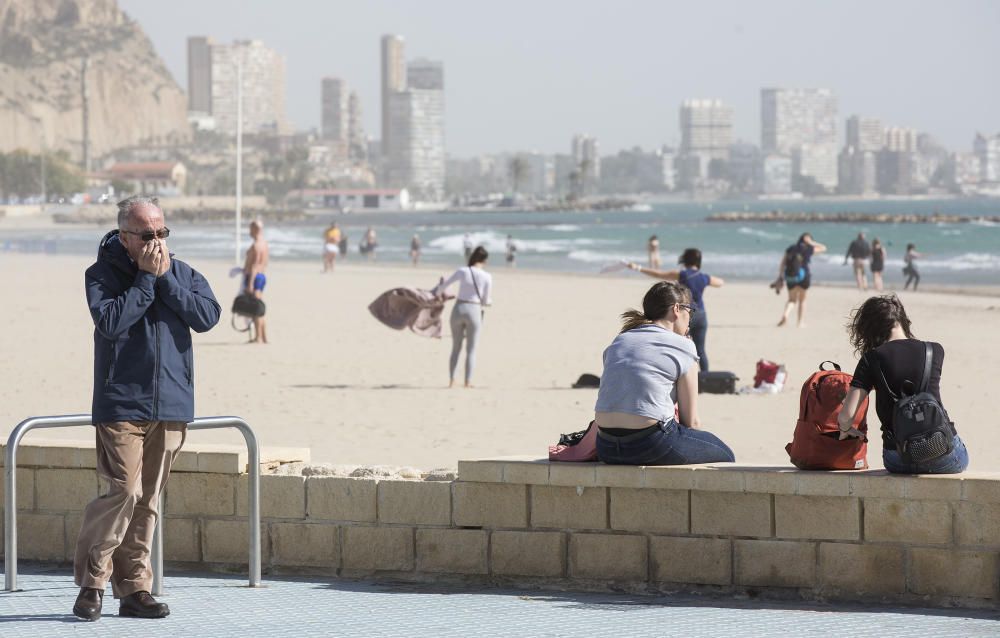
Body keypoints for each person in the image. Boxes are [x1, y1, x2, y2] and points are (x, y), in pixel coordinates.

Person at [76, 196, 221, 620]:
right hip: (121, 400)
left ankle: (136, 589)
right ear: (125, 237)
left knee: (149, 500)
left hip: (172, 401)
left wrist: (165, 281)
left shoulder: (182, 272)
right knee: (123, 491)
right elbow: (110, 321)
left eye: (162, 233)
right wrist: (144, 281)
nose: (156, 242)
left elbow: (208, 315)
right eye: (146, 234)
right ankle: (92, 583)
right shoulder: (101, 275)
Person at [594, 281, 735, 465]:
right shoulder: (684, 345)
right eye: (690, 311)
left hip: (605, 446)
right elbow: (690, 421)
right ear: (677, 309)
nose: (690, 318)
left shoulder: (620, 340)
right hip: (650, 444)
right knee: (725, 454)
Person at [836, 295, 967, 474]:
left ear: (869, 329)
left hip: (898, 459)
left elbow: (846, 416)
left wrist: (845, 429)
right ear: (903, 321)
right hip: (943, 455)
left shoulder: (871, 359)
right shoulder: (934, 350)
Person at [628, 248, 724, 372]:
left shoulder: (683, 274)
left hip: (686, 314)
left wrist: (638, 268)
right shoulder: (704, 277)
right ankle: (705, 378)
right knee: (701, 350)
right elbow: (720, 283)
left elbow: (659, 274)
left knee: (680, 347)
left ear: (685, 259)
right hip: (702, 315)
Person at [433, 246, 492, 388]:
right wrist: (488, 302)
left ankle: (452, 380)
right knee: (471, 350)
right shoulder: (487, 276)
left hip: (458, 309)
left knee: (455, 348)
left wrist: (437, 296)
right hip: (474, 310)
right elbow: (486, 300)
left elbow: (443, 287)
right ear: (484, 260)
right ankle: (467, 382)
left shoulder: (462, 271)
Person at [776, 232, 826, 328]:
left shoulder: (791, 248)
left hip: (790, 276)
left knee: (791, 300)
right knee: (802, 301)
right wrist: (812, 242)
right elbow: (824, 248)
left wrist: (780, 276)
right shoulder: (809, 249)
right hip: (804, 277)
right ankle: (799, 323)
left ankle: (786, 314)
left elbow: (782, 263)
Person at [243, 219, 269, 344]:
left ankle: (259, 337)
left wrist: (250, 284)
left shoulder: (257, 245)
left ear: (255, 229)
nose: (249, 232)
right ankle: (262, 336)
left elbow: (254, 265)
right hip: (261, 276)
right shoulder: (264, 243)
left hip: (255, 277)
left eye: (250, 229)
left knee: (256, 308)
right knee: (259, 307)